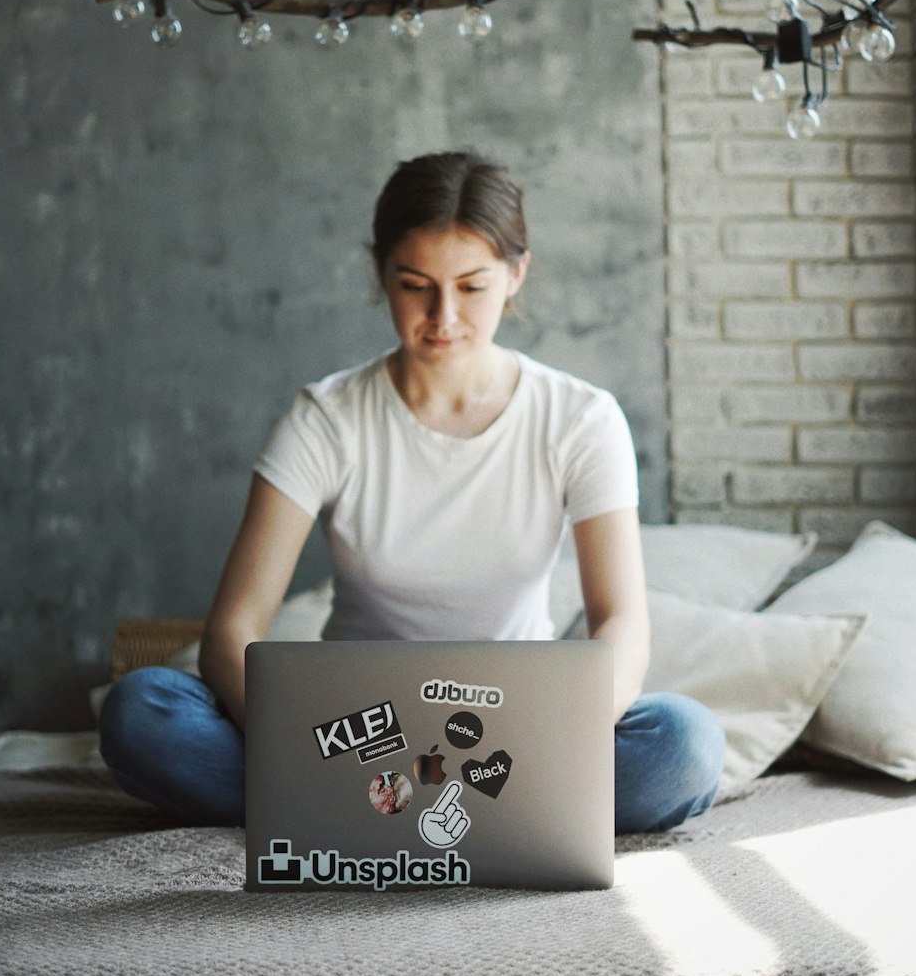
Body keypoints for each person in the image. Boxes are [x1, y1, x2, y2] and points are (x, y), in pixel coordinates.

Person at [100, 150, 725, 832]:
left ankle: (367, 813)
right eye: (414, 284)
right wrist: (313, 746)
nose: (442, 316)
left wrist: (554, 737)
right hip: (355, 735)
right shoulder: (326, 417)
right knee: (142, 712)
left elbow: (622, 622)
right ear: (381, 275)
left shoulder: (580, 418)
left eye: (472, 286)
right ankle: (461, 816)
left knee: (682, 746)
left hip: (513, 734)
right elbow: (232, 630)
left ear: (517, 274)